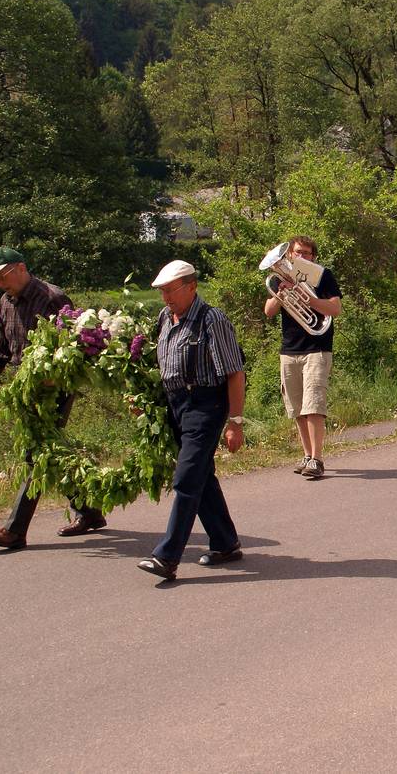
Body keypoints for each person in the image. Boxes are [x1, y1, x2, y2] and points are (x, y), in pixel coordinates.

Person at [0, 247, 108, 550]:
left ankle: (14, 531)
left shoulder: (52, 298)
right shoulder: (5, 302)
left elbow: (74, 345)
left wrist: (54, 375)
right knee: (51, 453)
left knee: (38, 454)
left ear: (20, 268)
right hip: (26, 388)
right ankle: (89, 512)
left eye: (1, 277)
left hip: (54, 387)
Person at [137, 261, 246, 580]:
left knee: (186, 478)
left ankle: (167, 556)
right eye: (162, 292)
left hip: (206, 404)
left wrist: (235, 421)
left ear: (191, 287)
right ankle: (226, 543)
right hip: (177, 405)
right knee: (201, 475)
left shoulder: (212, 319)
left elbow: (235, 372)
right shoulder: (164, 318)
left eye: (171, 290)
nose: (166, 298)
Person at [262, 237, 342, 479]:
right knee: (297, 408)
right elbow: (268, 312)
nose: (302, 257)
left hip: (317, 347)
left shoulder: (323, 276)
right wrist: (280, 294)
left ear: (313, 257)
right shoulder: (279, 279)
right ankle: (307, 455)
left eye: (307, 254)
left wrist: (310, 300)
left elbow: (335, 309)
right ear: (289, 255)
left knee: (314, 405)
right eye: (298, 253)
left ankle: (317, 459)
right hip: (289, 349)